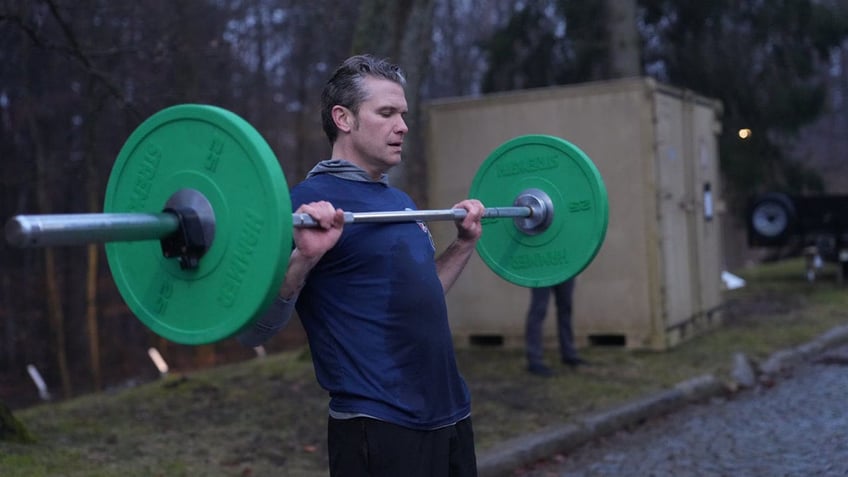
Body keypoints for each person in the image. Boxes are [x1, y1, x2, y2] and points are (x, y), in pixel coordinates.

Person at [238, 54, 483, 477]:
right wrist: (305, 257)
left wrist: (463, 246)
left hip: (451, 416)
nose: (402, 125)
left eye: (402, 114)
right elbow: (254, 328)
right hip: (379, 426)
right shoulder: (302, 206)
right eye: (386, 113)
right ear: (344, 119)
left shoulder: (399, 203)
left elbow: (421, 294)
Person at [524, 278, 585, 377]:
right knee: (538, 310)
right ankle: (534, 360)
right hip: (541, 270)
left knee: (566, 308)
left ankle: (569, 354)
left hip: (565, 268)